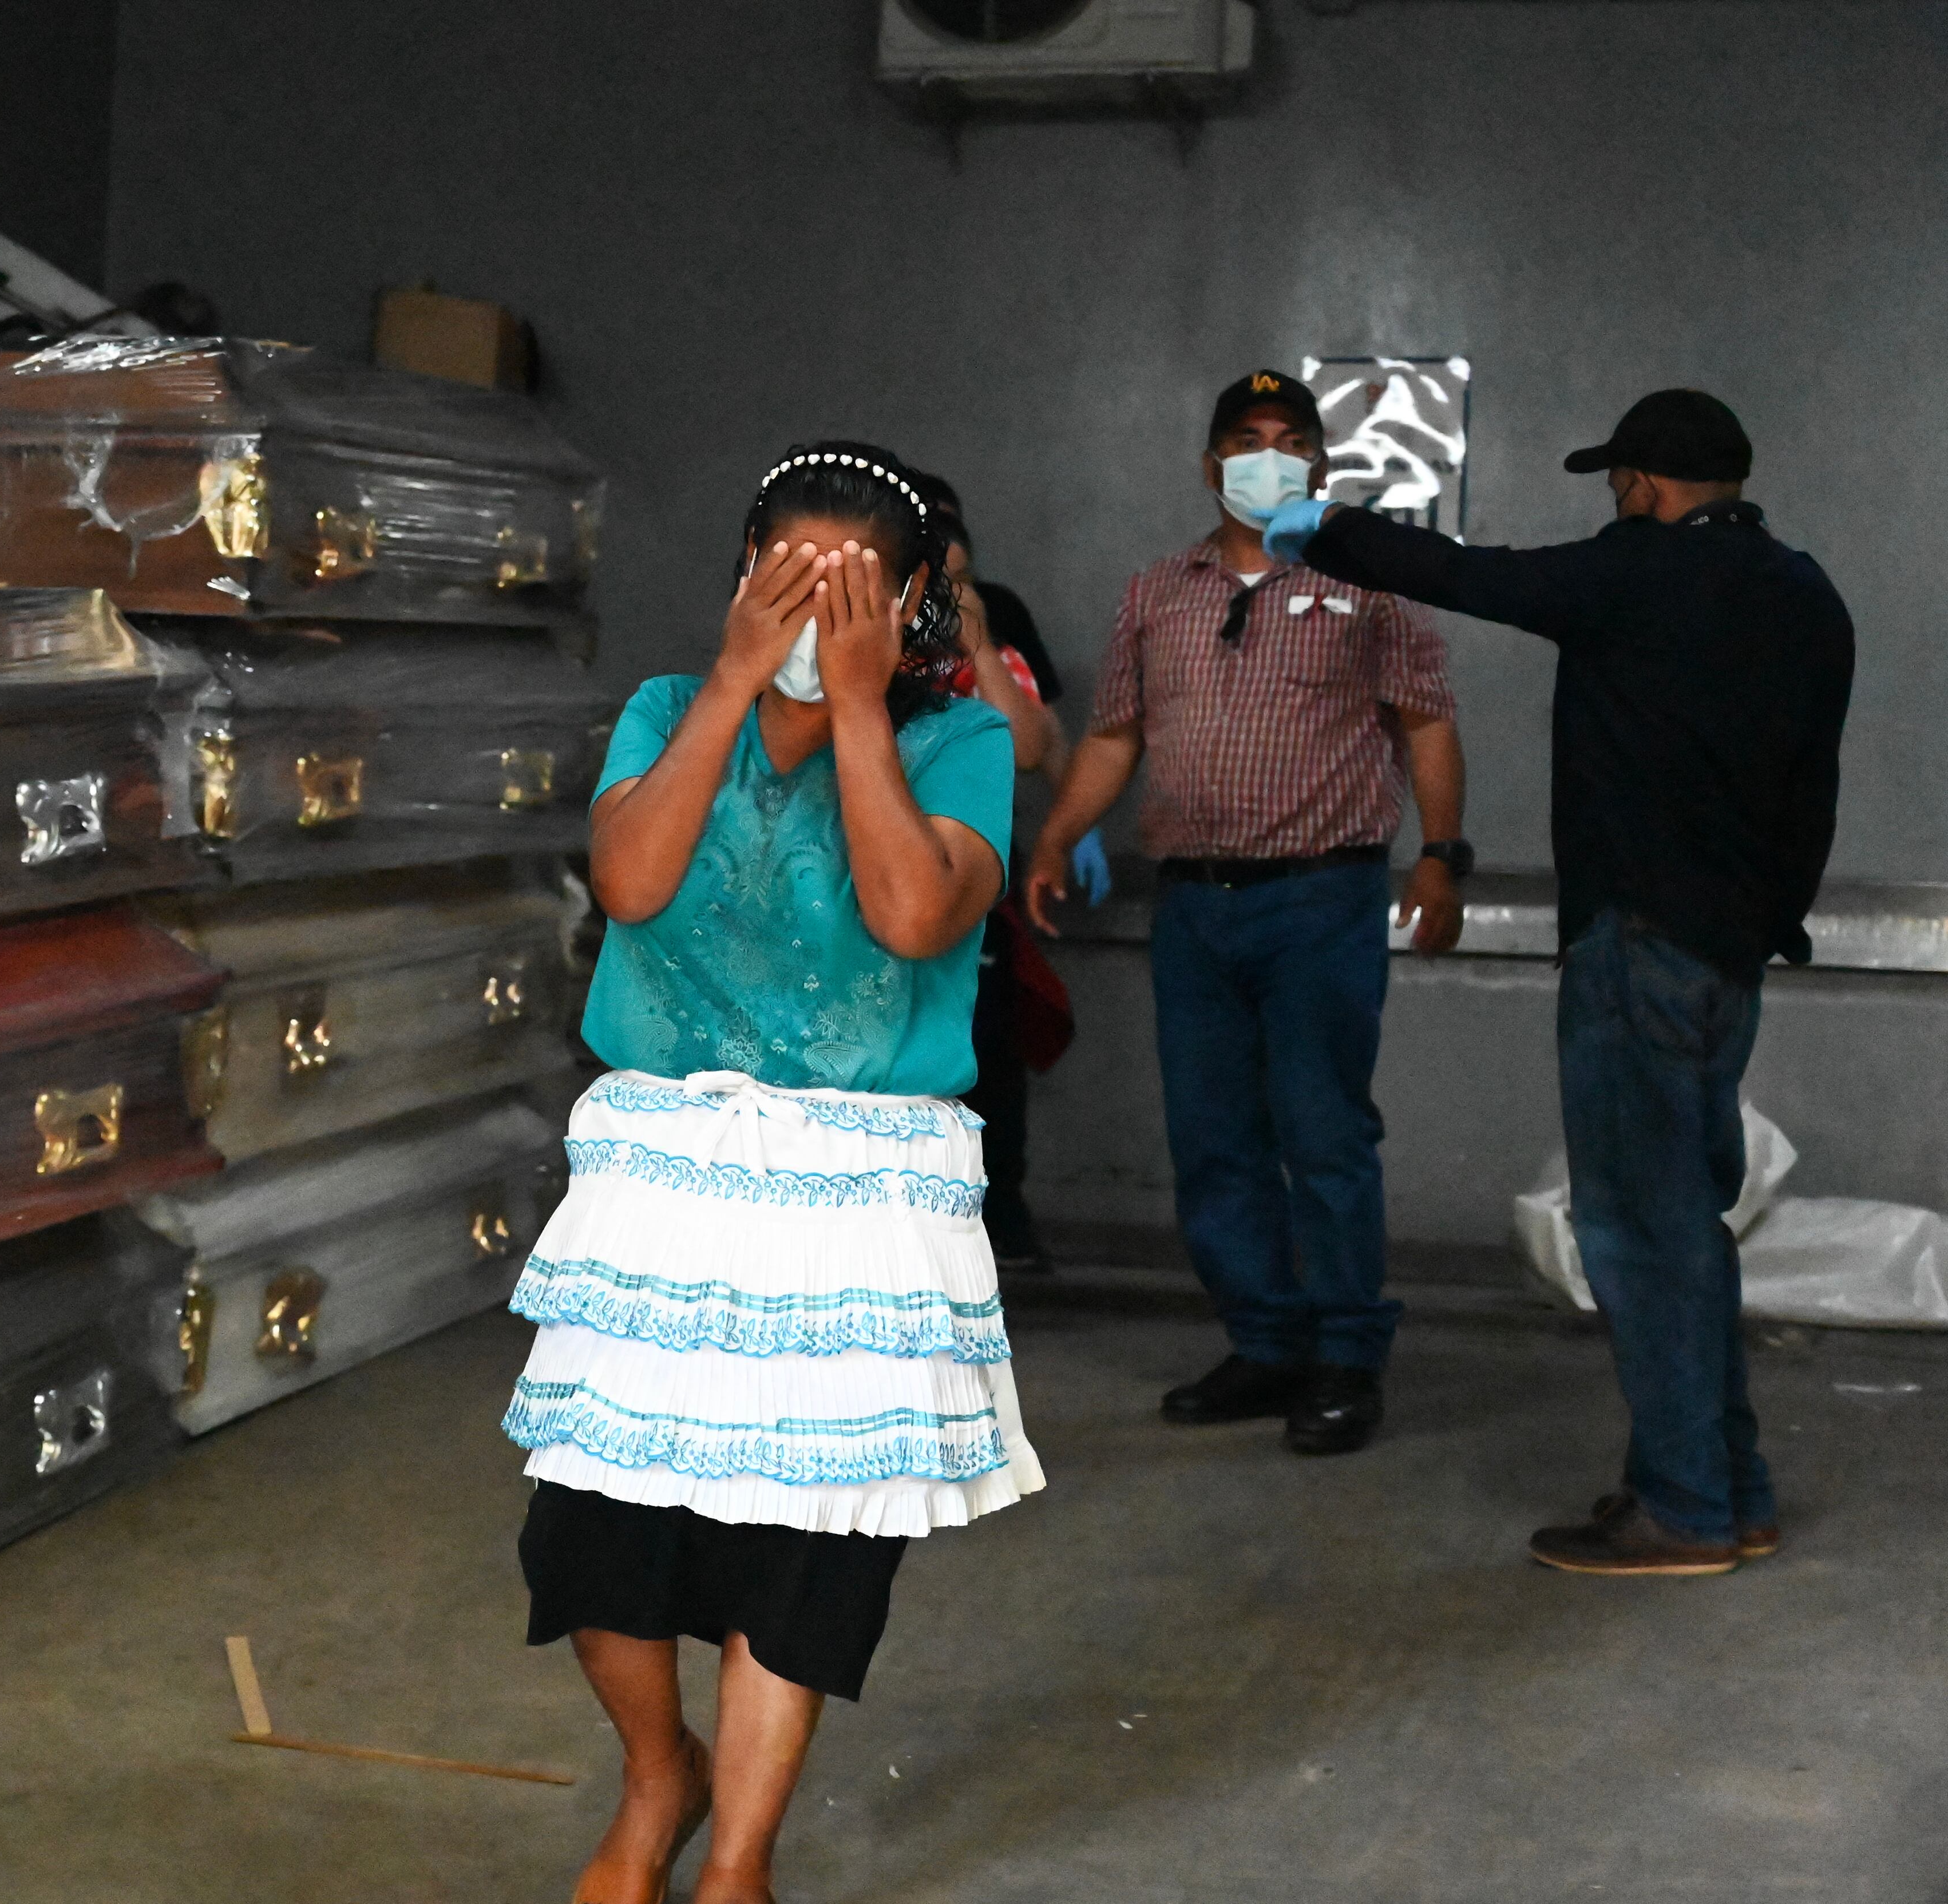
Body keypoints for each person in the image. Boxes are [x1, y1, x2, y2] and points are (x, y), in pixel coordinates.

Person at [505, 442, 1041, 1904]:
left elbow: (917, 913)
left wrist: (859, 704)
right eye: (783, 578)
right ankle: (656, 1772)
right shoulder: (670, 712)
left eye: (848, 589)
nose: (810, 611)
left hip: (855, 1207)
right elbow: (628, 882)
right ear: (742, 575)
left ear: (917, 596)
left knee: (797, 1551)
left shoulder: (958, 742)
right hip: (664, 1187)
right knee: (593, 1542)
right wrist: (740, 686)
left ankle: (737, 1856)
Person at [1265, 388, 1853, 1574]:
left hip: (1635, 944)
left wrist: (1318, 524)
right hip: (1726, 955)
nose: (1614, 501)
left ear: (1641, 484)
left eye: (1617, 483)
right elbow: (1810, 790)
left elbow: (1466, 573)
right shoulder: (1807, 594)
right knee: (1691, 1223)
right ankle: (1724, 1486)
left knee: (1639, 1228)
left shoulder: (1632, 574)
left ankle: (1682, 1506)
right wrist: (1761, 919)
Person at [1023, 369, 1468, 1457]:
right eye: (1244, 438)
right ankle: (1265, 1343)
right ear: (1210, 461)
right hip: (1196, 909)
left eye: (1287, 438)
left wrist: (1444, 858)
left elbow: (1427, 728)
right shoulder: (1156, 592)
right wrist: (1055, 831)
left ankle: (1345, 1357)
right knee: (1214, 1143)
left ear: (1319, 464)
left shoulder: (1372, 589)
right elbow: (1118, 734)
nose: (1266, 455)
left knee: (1323, 1138)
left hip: (1322, 898)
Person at [910, 470, 1111, 1276]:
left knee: (988, 1053)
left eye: (961, 574)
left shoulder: (986, 641)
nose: (949, 590)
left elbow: (1031, 746)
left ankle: (999, 1216)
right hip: (878, 886)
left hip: (973, 888)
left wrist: (977, 637)